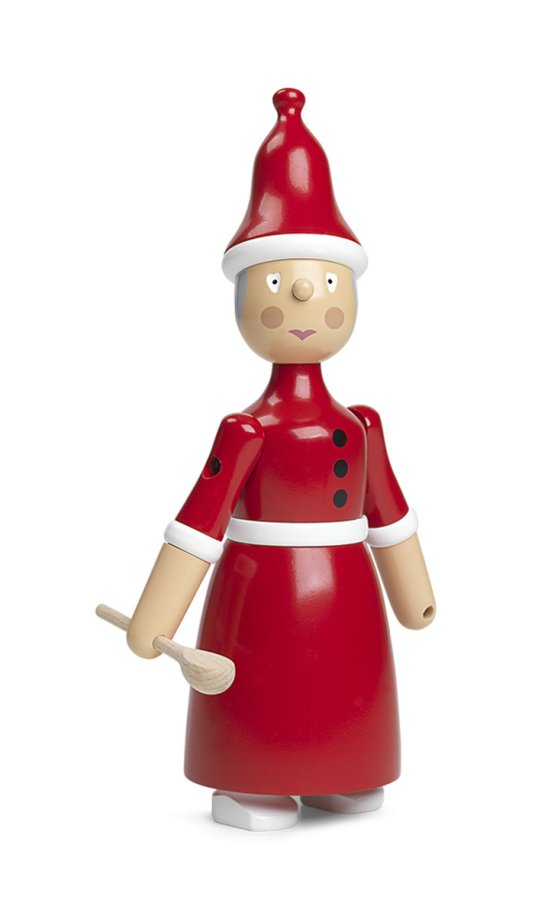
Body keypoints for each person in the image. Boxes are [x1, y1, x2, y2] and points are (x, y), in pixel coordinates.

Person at [125, 88, 436, 831]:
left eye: (327, 282)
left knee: (344, 680)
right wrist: (155, 617)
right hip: (259, 593)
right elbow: (201, 523)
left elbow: (388, 514)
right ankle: (252, 780)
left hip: (346, 591)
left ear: (350, 294)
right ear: (242, 297)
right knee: (268, 689)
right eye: (277, 281)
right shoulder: (244, 430)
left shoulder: (361, 424)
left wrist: (413, 595)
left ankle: (343, 766)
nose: (303, 292)